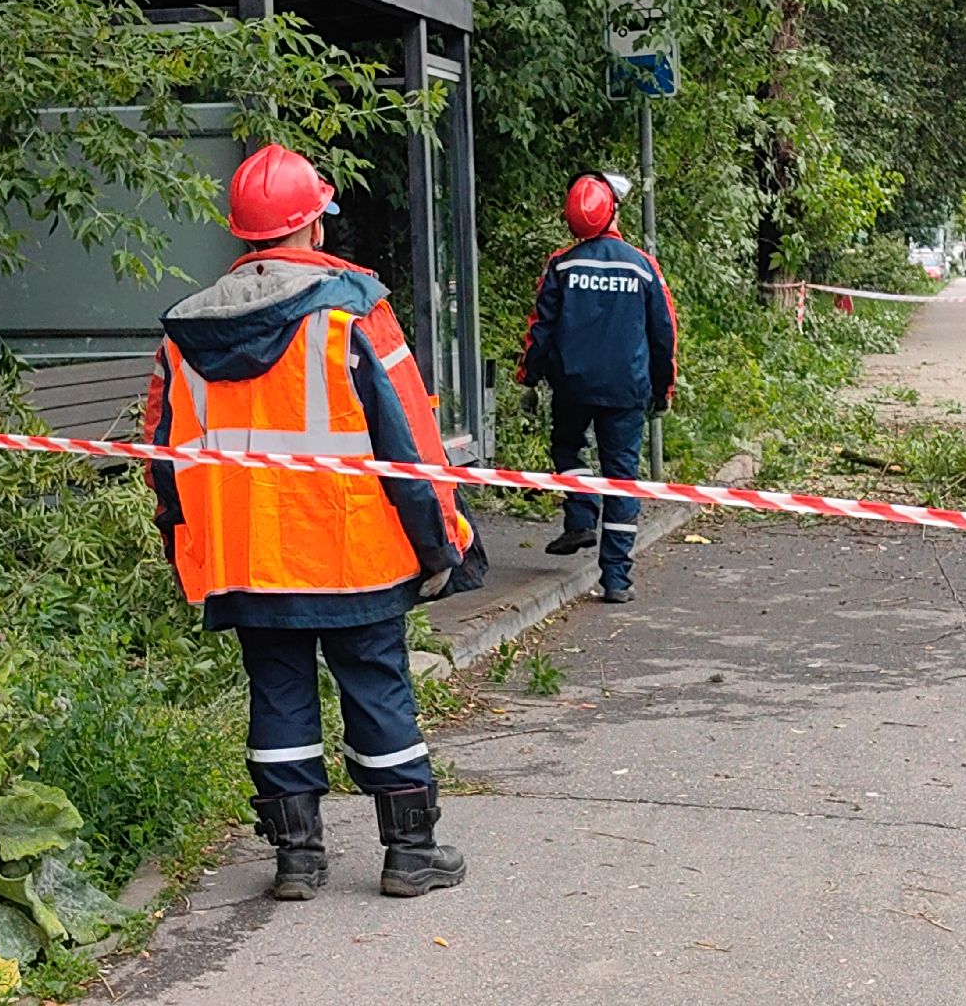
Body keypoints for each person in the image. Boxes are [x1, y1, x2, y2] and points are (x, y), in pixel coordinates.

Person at [143, 144, 483, 901]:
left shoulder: (186, 334)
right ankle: (410, 853)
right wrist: (442, 540)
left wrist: (186, 552)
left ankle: (296, 860)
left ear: (241, 236)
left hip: (246, 559)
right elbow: (410, 444)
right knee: (377, 688)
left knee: (279, 696)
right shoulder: (351, 313)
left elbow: (162, 459)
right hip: (349, 552)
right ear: (314, 229)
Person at [516, 171, 678, 604]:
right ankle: (617, 580)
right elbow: (663, 332)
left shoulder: (562, 265)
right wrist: (664, 388)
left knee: (567, 449)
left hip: (572, 386)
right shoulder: (642, 265)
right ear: (612, 211)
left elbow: (541, 330)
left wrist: (528, 377)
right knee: (623, 480)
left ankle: (581, 515)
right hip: (627, 390)